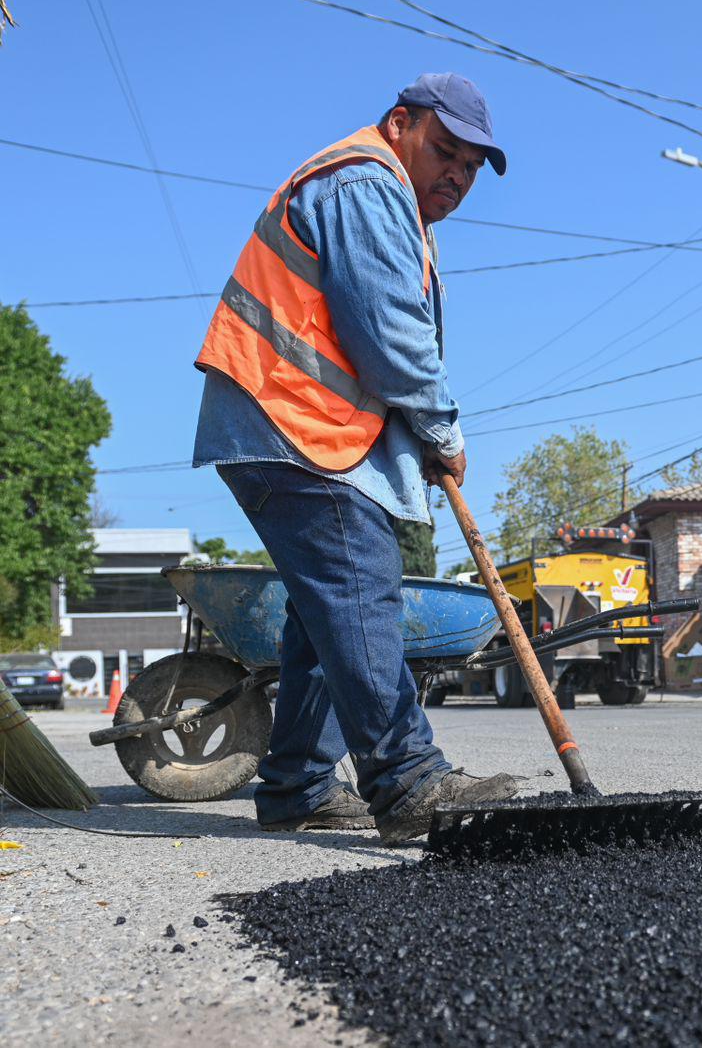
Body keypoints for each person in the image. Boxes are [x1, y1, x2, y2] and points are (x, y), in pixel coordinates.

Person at [192, 73, 518, 841]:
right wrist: (443, 430)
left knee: (323, 612)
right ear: (399, 123)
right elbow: (389, 331)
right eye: (447, 152)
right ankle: (408, 780)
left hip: (307, 429)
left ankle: (298, 785)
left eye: (472, 167)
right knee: (360, 590)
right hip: (287, 423)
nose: (458, 177)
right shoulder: (365, 183)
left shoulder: (390, 200)